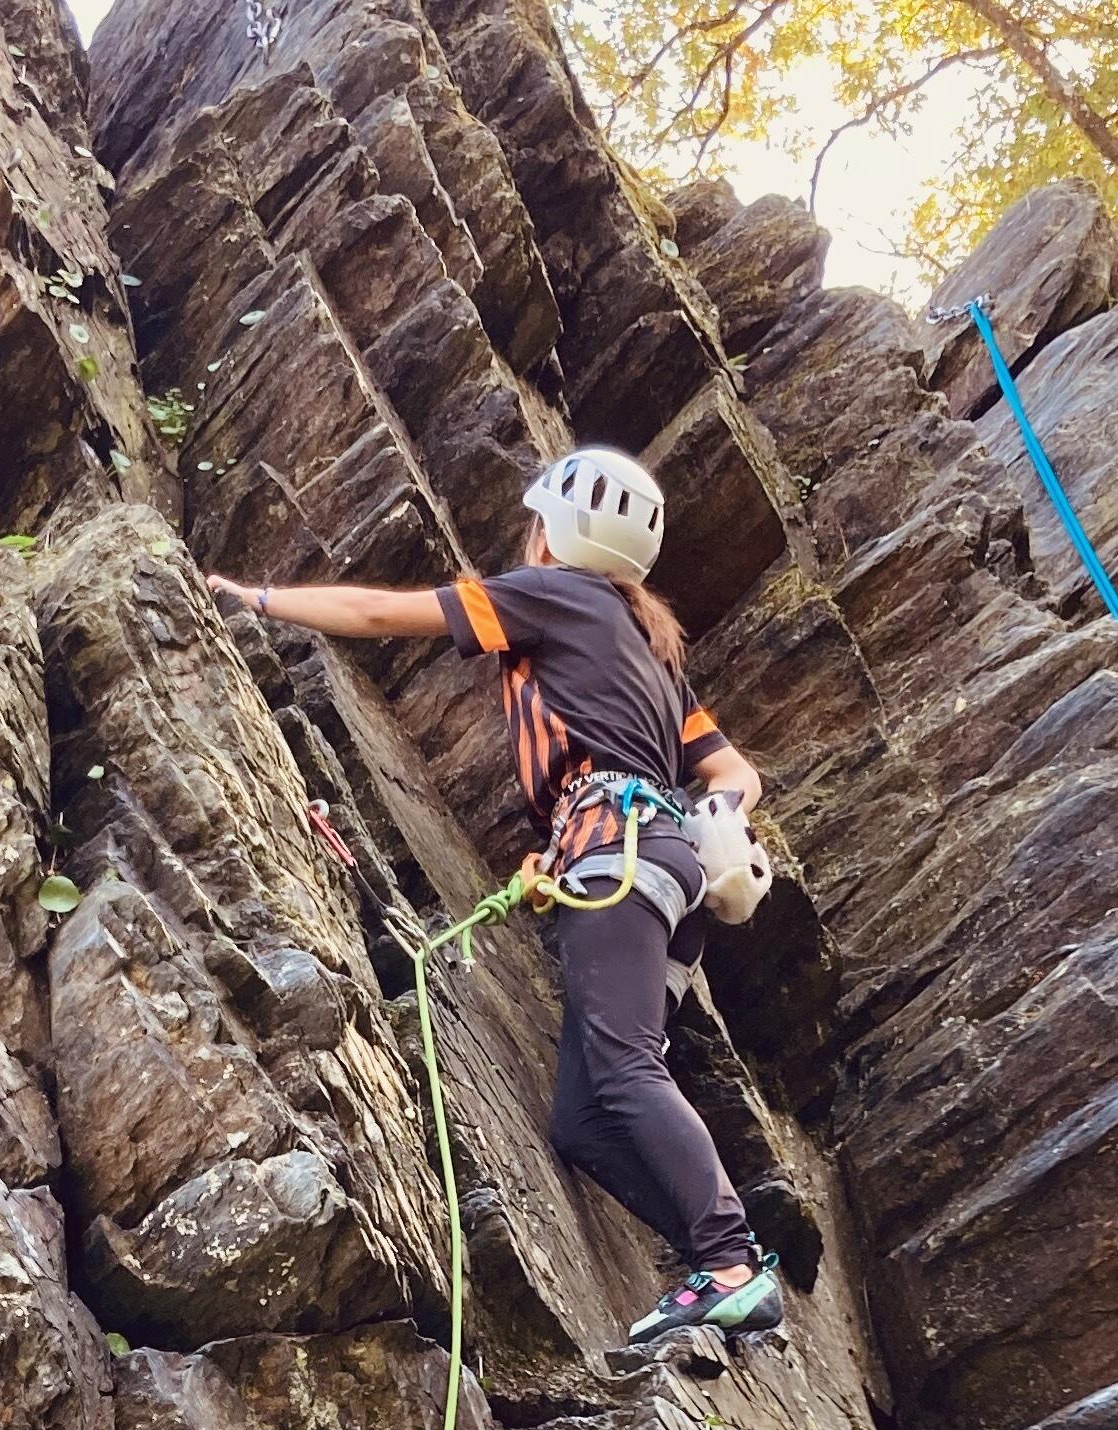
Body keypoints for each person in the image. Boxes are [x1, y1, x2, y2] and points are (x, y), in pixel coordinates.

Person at [208, 446, 783, 1347]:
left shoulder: (554, 593)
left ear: (557, 533)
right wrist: (714, 815)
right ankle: (711, 1266)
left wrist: (257, 599)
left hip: (618, 857)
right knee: (583, 1122)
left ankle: (732, 1262)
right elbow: (736, 773)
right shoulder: (655, 653)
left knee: (627, 1066)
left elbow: (381, 614)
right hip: (665, 875)